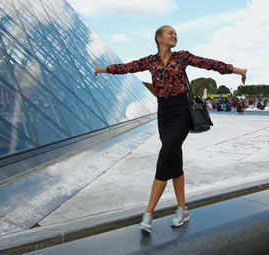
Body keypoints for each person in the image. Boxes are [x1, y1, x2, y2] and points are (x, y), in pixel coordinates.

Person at [95, 25, 247, 233]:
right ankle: (183, 209)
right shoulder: (150, 61)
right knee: (174, 158)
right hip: (164, 113)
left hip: (181, 111)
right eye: (170, 33)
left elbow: (209, 64)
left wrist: (237, 70)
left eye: (175, 33)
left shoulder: (182, 57)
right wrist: (101, 69)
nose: (174, 35)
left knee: (165, 155)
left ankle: (148, 213)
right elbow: (126, 68)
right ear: (158, 38)